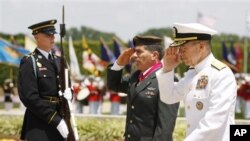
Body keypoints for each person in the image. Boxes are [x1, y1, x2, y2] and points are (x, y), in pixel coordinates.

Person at [156, 23, 237, 141]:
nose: (180, 53)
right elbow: (168, 97)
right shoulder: (192, 73)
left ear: (201, 46)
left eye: (183, 49)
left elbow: (214, 121)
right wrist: (168, 69)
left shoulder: (221, 74)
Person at [107, 35, 179, 141]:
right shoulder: (136, 76)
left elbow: (165, 125)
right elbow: (113, 85)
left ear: (154, 55)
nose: (134, 56)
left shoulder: (167, 79)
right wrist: (119, 64)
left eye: (139, 52)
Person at [18, 19, 72, 141]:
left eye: (53, 34)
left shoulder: (60, 61)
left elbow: (67, 87)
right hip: (39, 124)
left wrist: (70, 94)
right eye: (48, 34)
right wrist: (55, 119)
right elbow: (29, 97)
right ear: (37, 37)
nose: (52, 37)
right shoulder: (29, 62)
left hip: (61, 121)